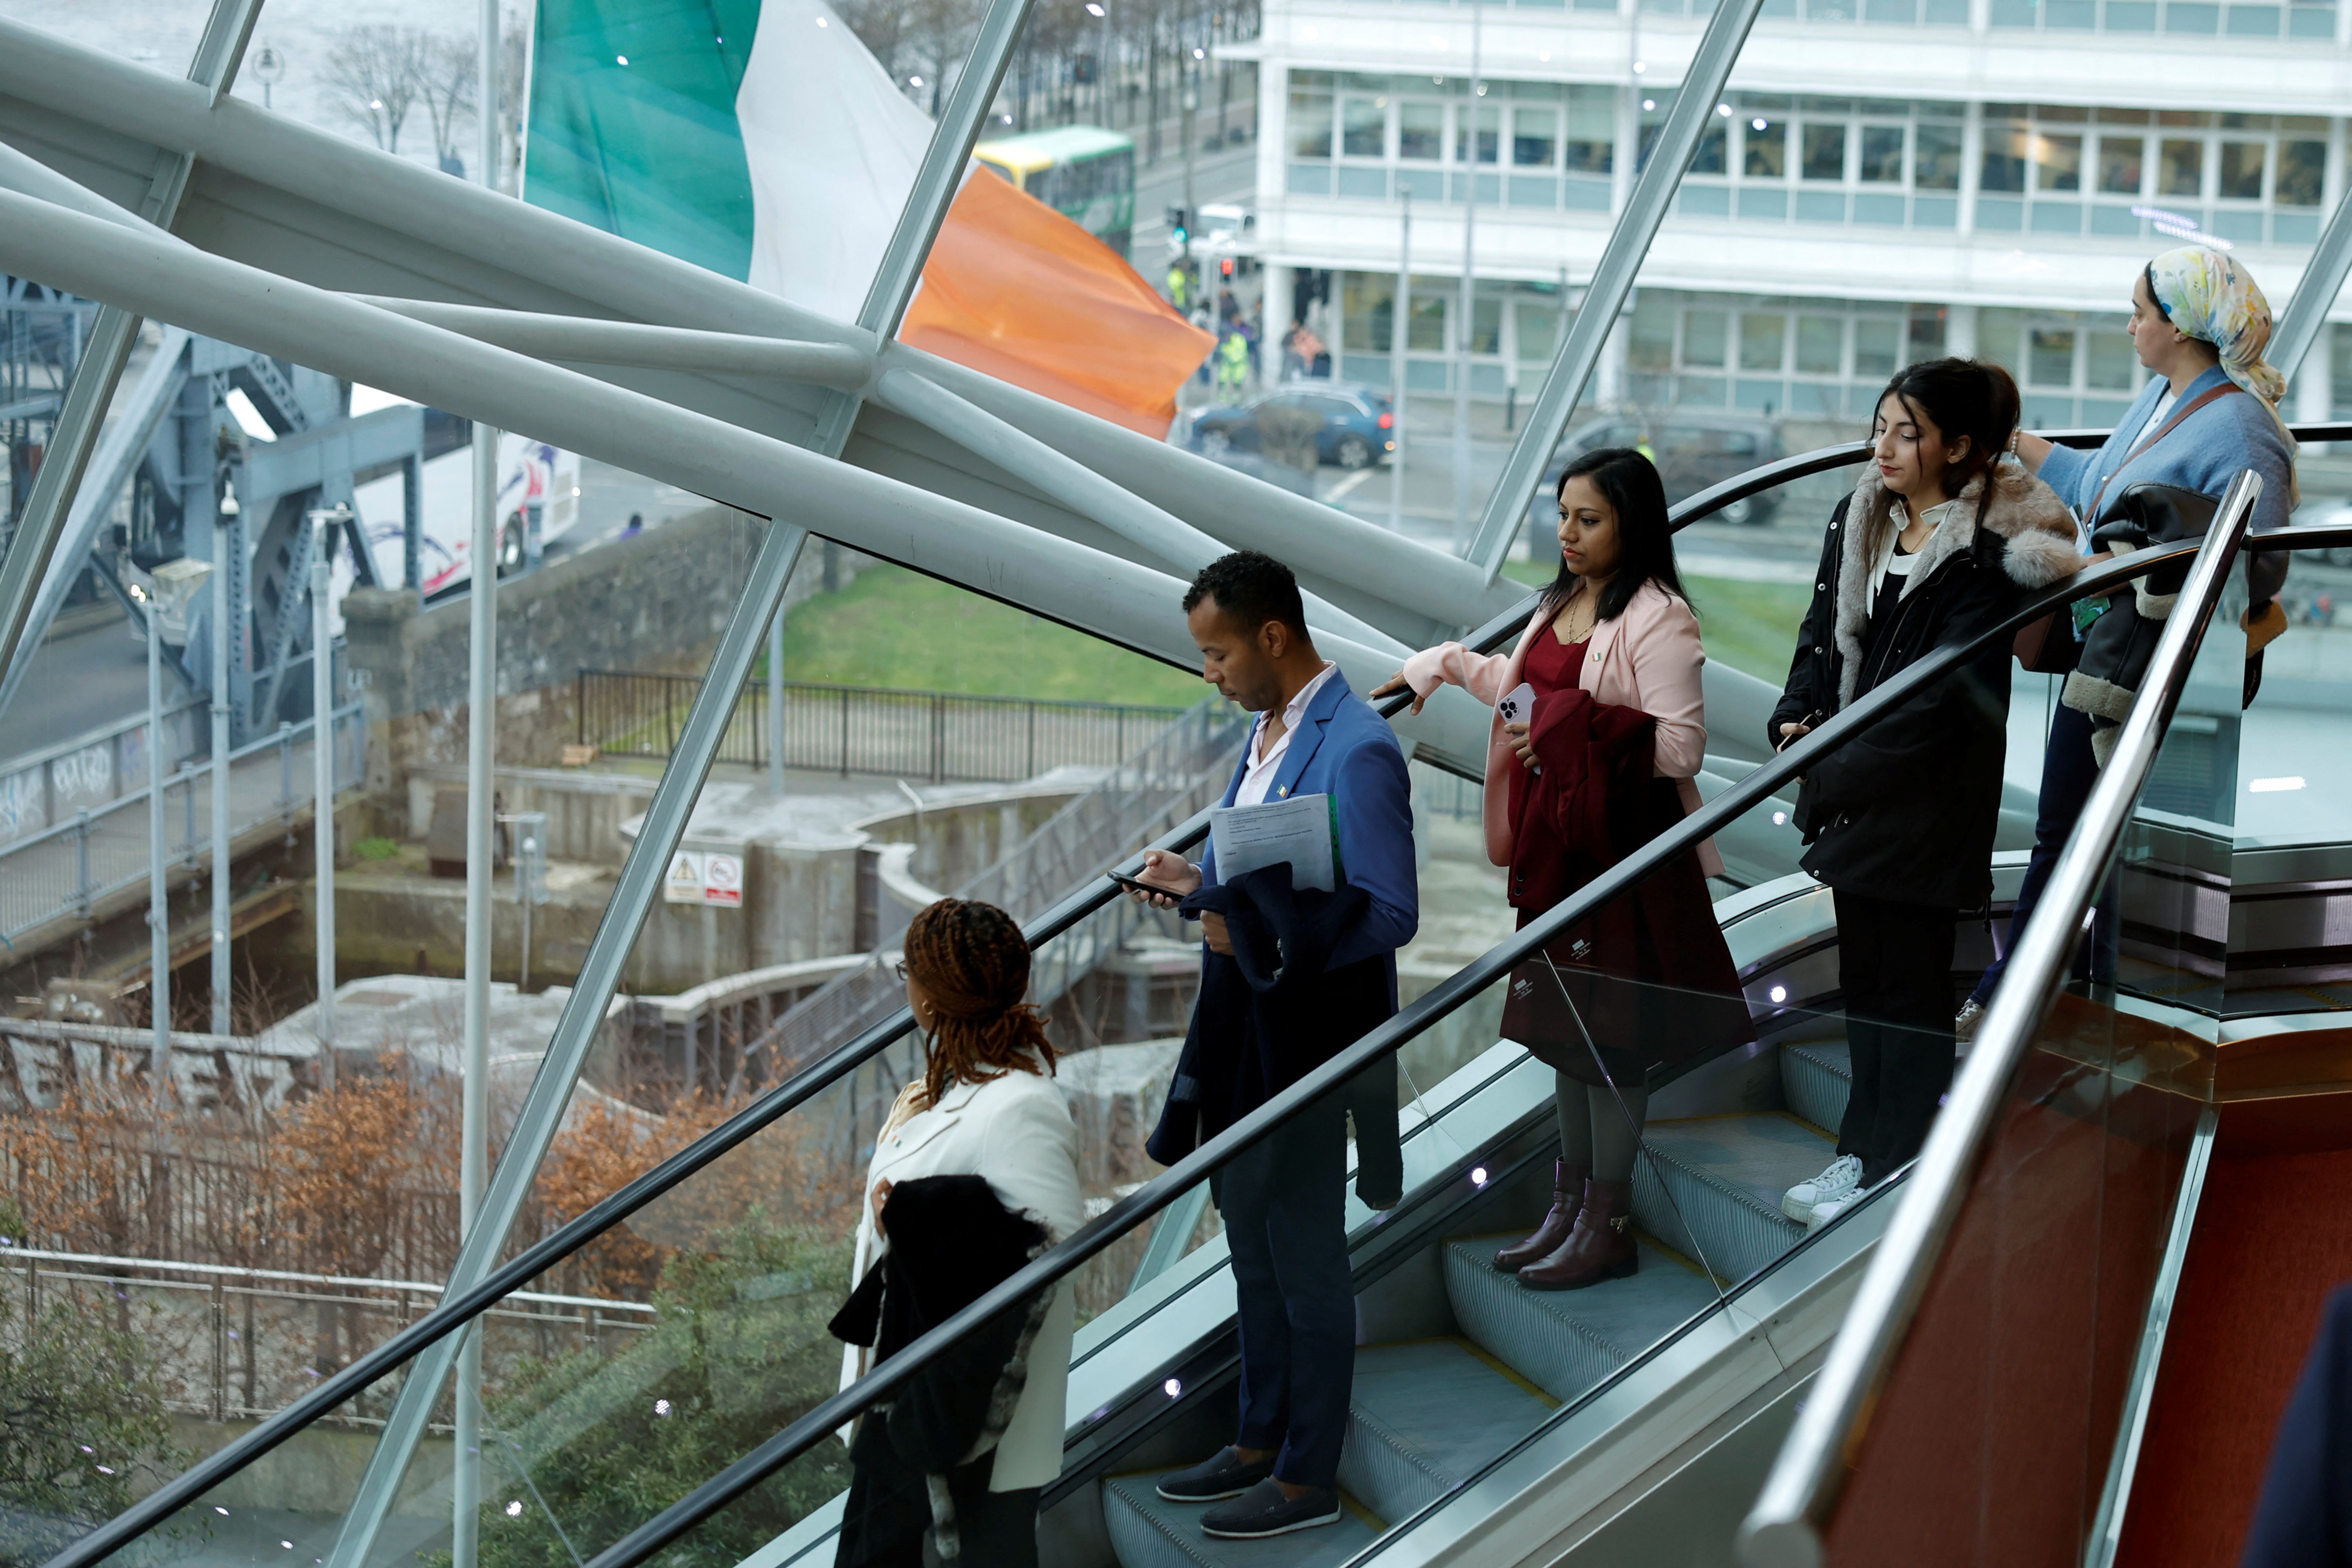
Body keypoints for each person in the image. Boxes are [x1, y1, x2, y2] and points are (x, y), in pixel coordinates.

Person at [1372, 448, 1749, 1290]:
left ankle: (1606, 1222)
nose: (1568, 533)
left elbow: (1680, 745)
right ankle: (1569, 1204)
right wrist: (1440, 664)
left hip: (1621, 852)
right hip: (1559, 842)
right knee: (1564, 1034)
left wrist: (1564, 723)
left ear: (1633, 525)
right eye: (1563, 514)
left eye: (1590, 518)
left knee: (1610, 1040)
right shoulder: (1559, 601)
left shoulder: (1662, 618)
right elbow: (1520, 705)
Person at [1126, 550, 1418, 1541]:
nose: (1208, 671)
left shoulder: (1359, 748)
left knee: (1303, 1257)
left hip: (1308, 1046)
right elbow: (1248, 880)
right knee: (1249, 1244)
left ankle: (1307, 1474)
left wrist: (1247, 925)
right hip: (1244, 1038)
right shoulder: (1263, 733)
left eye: (1216, 653)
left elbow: (1390, 912)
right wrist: (1194, 883)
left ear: (1274, 637)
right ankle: (1257, 1438)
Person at [1956, 245, 2299, 1039]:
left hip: (2160, 670)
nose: (2131, 325)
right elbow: (2104, 487)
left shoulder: (2244, 432)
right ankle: (2062, 992)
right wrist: (2016, 443)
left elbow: (2260, 564)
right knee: (2075, 829)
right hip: (2109, 651)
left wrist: (2130, 566)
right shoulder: (2163, 397)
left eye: (2141, 312)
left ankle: (2029, 998)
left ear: (2181, 327)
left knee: (2091, 835)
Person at [1771, 360, 2079, 1229]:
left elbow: (1939, 705)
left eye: (1907, 433)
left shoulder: (1981, 555)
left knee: (1907, 990)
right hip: (1857, 792)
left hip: (1927, 804)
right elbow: (1821, 635)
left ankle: (1881, 1158)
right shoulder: (1861, 516)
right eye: (1881, 428)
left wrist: (1824, 764)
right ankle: (1867, 1155)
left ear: (1960, 445)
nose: (1885, 447)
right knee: (1867, 980)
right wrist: (1795, 716)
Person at [830, 898, 1083, 1568]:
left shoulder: (1022, 1106)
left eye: (907, 971)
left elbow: (1046, 1258)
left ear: (930, 997)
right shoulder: (952, 1084)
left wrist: (909, 1221)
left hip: (970, 1427)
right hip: (913, 1401)